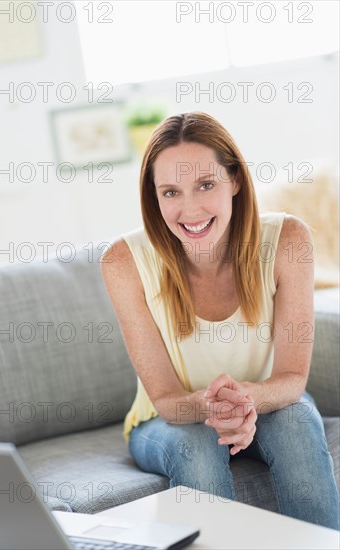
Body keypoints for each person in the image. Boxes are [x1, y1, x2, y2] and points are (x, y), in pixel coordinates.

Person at [101, 111, 339, 530]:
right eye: (171, 191)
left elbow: (291, 378)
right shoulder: (124, 262)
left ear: (235, 181)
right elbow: (169, 401)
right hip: (168, 420)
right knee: (196, 442)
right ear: (153, 197)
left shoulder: (288, 241)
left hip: (269, 402)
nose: (189, 209)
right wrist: (217, 407)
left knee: (298, 420)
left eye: (206, 185)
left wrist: (245, 402)